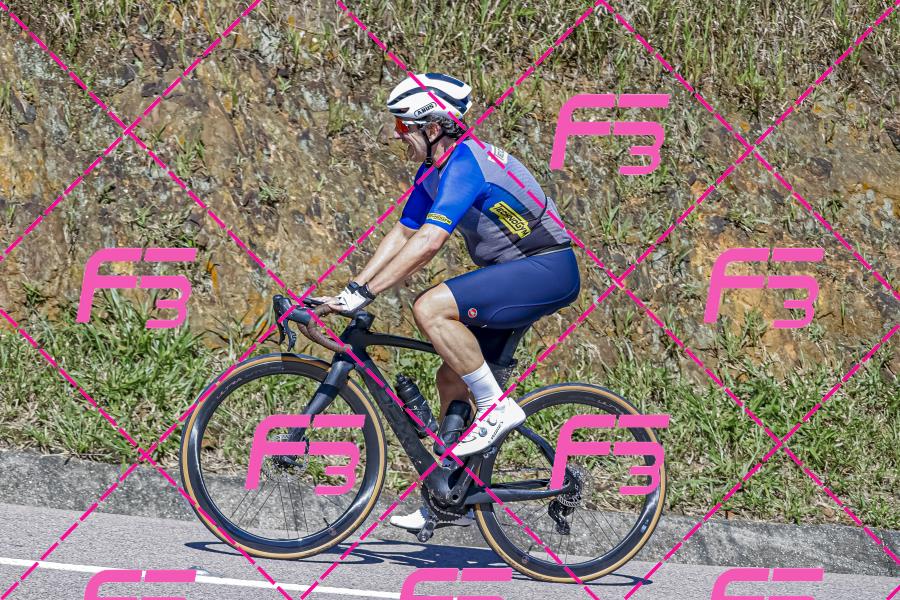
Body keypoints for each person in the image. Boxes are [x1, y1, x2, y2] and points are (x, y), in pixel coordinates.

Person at [315, 73, 581, 532]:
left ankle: (496, 408)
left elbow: (430, 241)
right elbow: (403, 233)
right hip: (516, 271)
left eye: (404, 126)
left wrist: (367, 294)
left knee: (430, 307)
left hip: (547, 268)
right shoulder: (433, 170)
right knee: (451, 378)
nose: (397, 135)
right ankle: (448, 494)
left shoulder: (465, 163)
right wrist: (351, 289)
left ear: (434, 127)